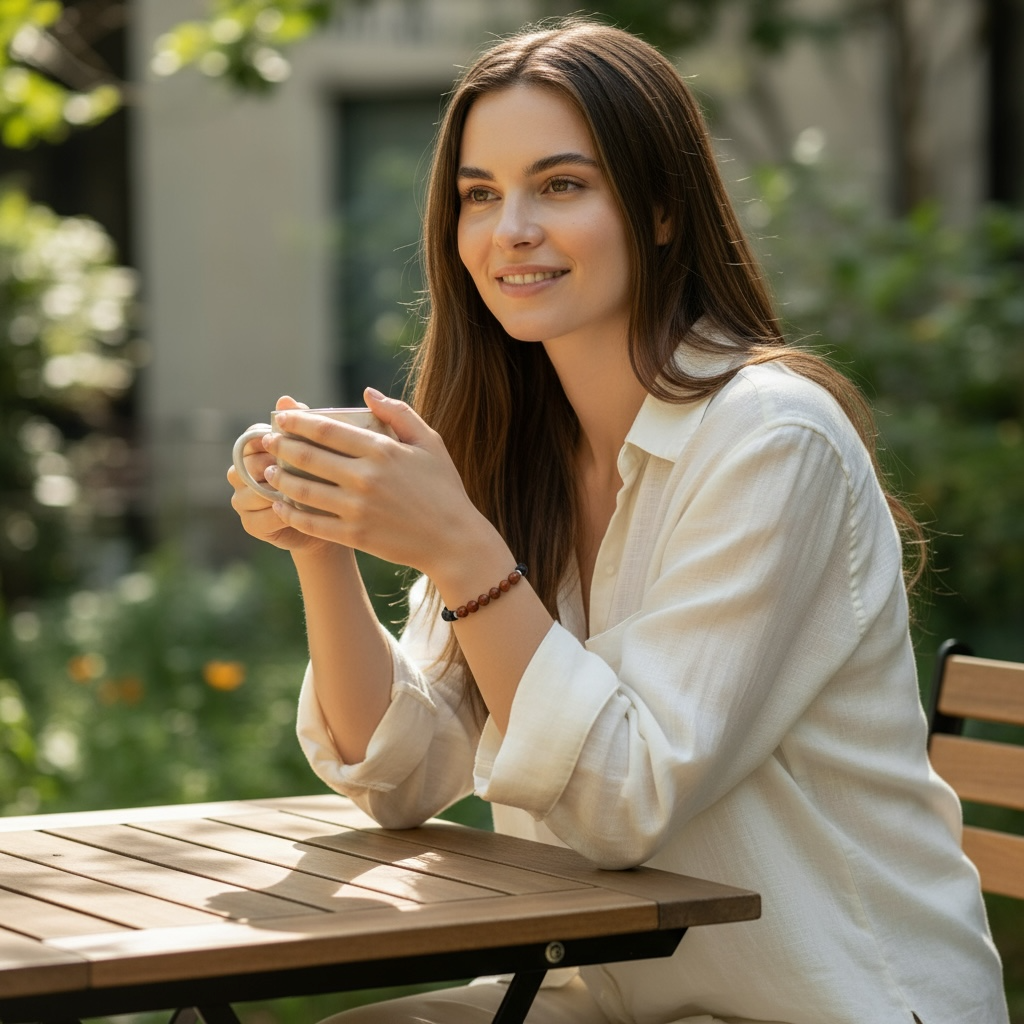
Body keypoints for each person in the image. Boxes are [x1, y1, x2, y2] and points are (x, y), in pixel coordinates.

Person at [227, 17, 1008, 1024]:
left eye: (560, 186)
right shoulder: (515, 449)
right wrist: (321, 543)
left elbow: (622, 801)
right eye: (479, 194)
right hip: (602, 991)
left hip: (830, 1001)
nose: (509, 229)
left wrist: (460, 548)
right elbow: (402, 776)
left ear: (661, 208)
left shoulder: (771, 439)